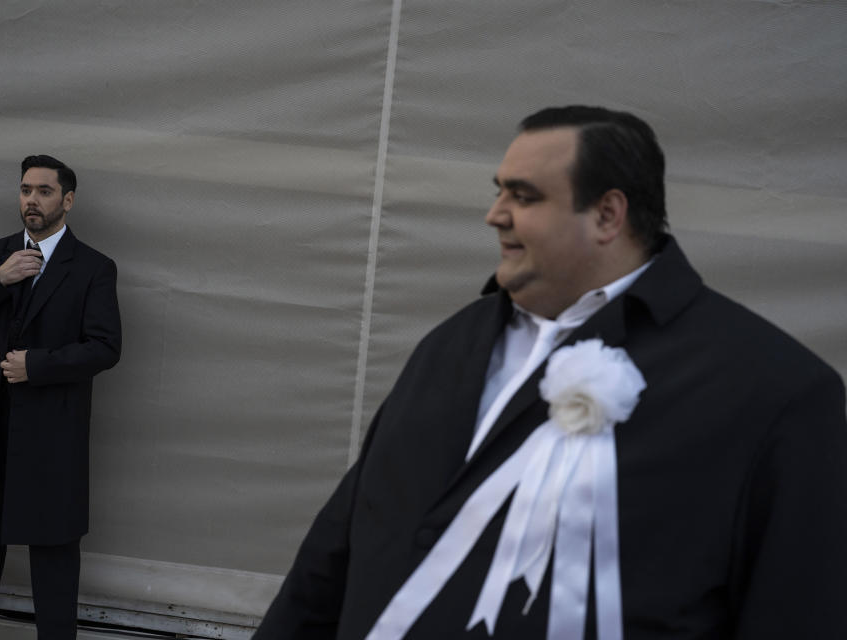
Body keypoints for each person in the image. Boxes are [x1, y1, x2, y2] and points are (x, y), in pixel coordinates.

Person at [254, 106, 847, 639]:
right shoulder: (452, 343)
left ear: (608, 215)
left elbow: (797, 615)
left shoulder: (772, 391)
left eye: (524, 196)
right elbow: (335, 553)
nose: (494, 215)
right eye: (499, 192)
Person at [0, 155, 122, 639]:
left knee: (55, 571)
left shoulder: (94, 268)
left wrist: (36, 365)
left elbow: (105, 347)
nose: (31, 200)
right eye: (24, 190)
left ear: (67, 200)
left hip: (52, 440)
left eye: (43, 191)